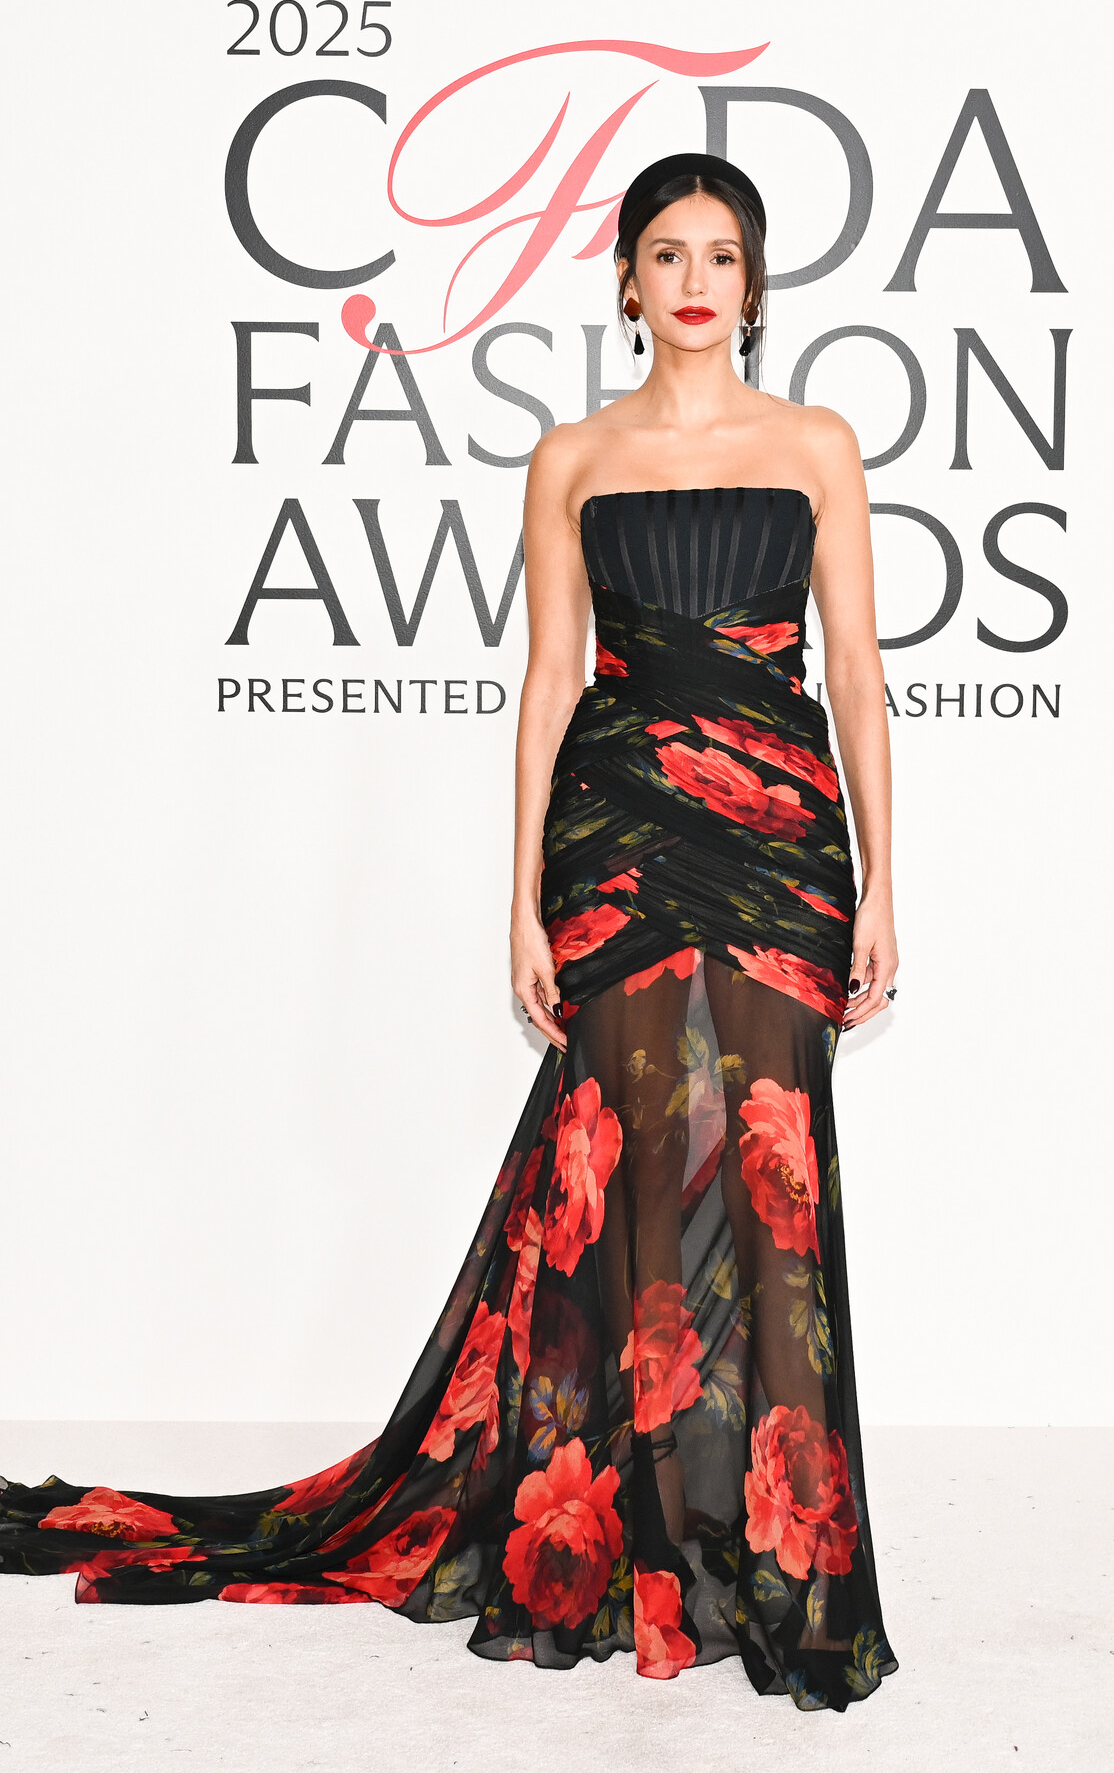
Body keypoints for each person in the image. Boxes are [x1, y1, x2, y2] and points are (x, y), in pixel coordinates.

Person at [0, 152, 900, 1712]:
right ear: (627, 282)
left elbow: (862, 678)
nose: (696, 280)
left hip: (778, 843)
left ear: (755, 284)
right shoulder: (572, 456)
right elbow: (550, 679)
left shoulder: (817, 444)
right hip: (619, 835)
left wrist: (884, 880)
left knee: (772, 1183)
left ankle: (785, 1568)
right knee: (625, 1186)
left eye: (722, 255)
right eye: (668, 253)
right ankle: (637, 1552)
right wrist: (521, 895)